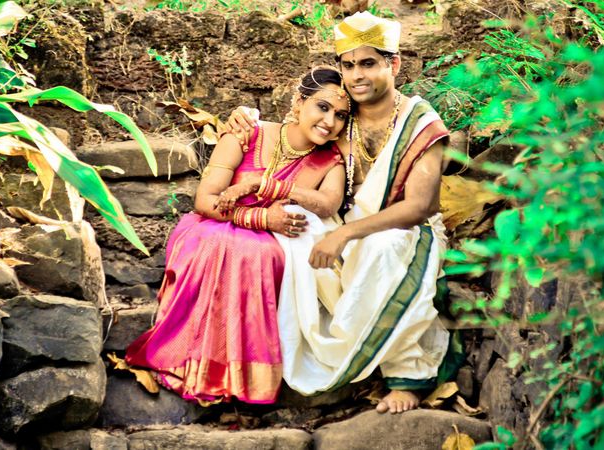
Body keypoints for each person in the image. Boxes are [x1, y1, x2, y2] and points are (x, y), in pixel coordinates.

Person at [227, 12, 455, 414]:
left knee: (384, 246)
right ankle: (305, 348)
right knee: (298, 227)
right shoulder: (341, 117)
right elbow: (295, 123)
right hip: (346, 226)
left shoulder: (420, 122)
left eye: (368, 63)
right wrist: (246, 115)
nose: (355, 75)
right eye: (348, 65)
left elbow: (420, 207)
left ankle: (409, 376)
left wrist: (344, 235)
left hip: (407, 231)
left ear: (393, 64)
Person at [125, 67, 351, 405]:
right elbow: (205, 200)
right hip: (214, 224)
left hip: (273, 242)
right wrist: (259, 216)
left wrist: (269, 187)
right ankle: (199, 366)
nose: (330, 121)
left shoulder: (330, 160)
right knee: (226, 246)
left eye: (341, 116)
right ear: (299, 102)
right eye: (322, 107)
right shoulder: (248, 133)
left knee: (262, 256)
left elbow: (328, 202)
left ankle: (245, 378)